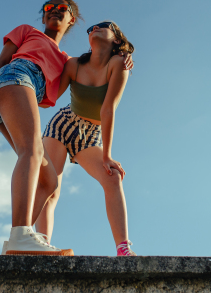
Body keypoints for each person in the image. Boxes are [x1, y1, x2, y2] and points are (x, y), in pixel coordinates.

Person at [0, 0, 132, 255]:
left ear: (72, 19)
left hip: (20, 95)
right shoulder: (28, 32)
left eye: (61, 8)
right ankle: (20, 234)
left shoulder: (66, 61)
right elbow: (2, 61)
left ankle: (21, 243)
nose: (54, 11)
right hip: (15, 77)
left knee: (48, 182)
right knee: (31, 153)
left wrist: (123, 56)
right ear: (43, 17)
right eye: (48, 8)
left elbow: (56, 96)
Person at [34, 20, 137, 256]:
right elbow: (49, 98)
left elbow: (108, 109)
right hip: (62, 125)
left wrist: (107, 155)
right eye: (91, 28)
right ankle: (41, 246)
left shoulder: (119, 64)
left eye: (103, 25)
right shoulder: (74, 65)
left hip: (90, 136)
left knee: (112, 178)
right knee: (50, 187)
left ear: (117, 40)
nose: (94, 28)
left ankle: (123, 249)